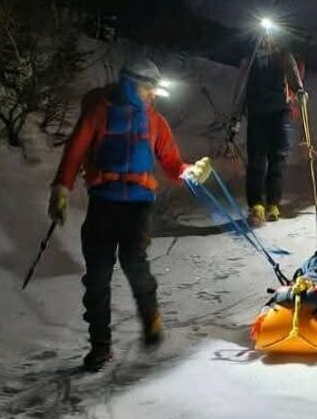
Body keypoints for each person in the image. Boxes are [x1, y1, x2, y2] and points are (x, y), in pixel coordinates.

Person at [47, 58, 209, 372]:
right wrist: (61, 189)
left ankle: (151, 319)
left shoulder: (155, 122)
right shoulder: (98, 113)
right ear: (130, 84)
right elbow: (75, 152)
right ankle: (100, 346)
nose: (152, 95)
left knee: (134, 262)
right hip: (103, 205)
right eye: (148, 89)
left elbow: (172, 163)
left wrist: (191, 171)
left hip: (138, 205)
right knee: (97, 278)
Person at [228, 27, 305, 226]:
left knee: (277, 159)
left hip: (279, 113)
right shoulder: (250, 60)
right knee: (256, 161)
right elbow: (241, 89)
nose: (266, 39)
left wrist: (300, 91)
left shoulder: (282, 55)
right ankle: (256, 205)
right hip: (257, 114)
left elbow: (293, 74)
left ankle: (273, 203)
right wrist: (235, 118)